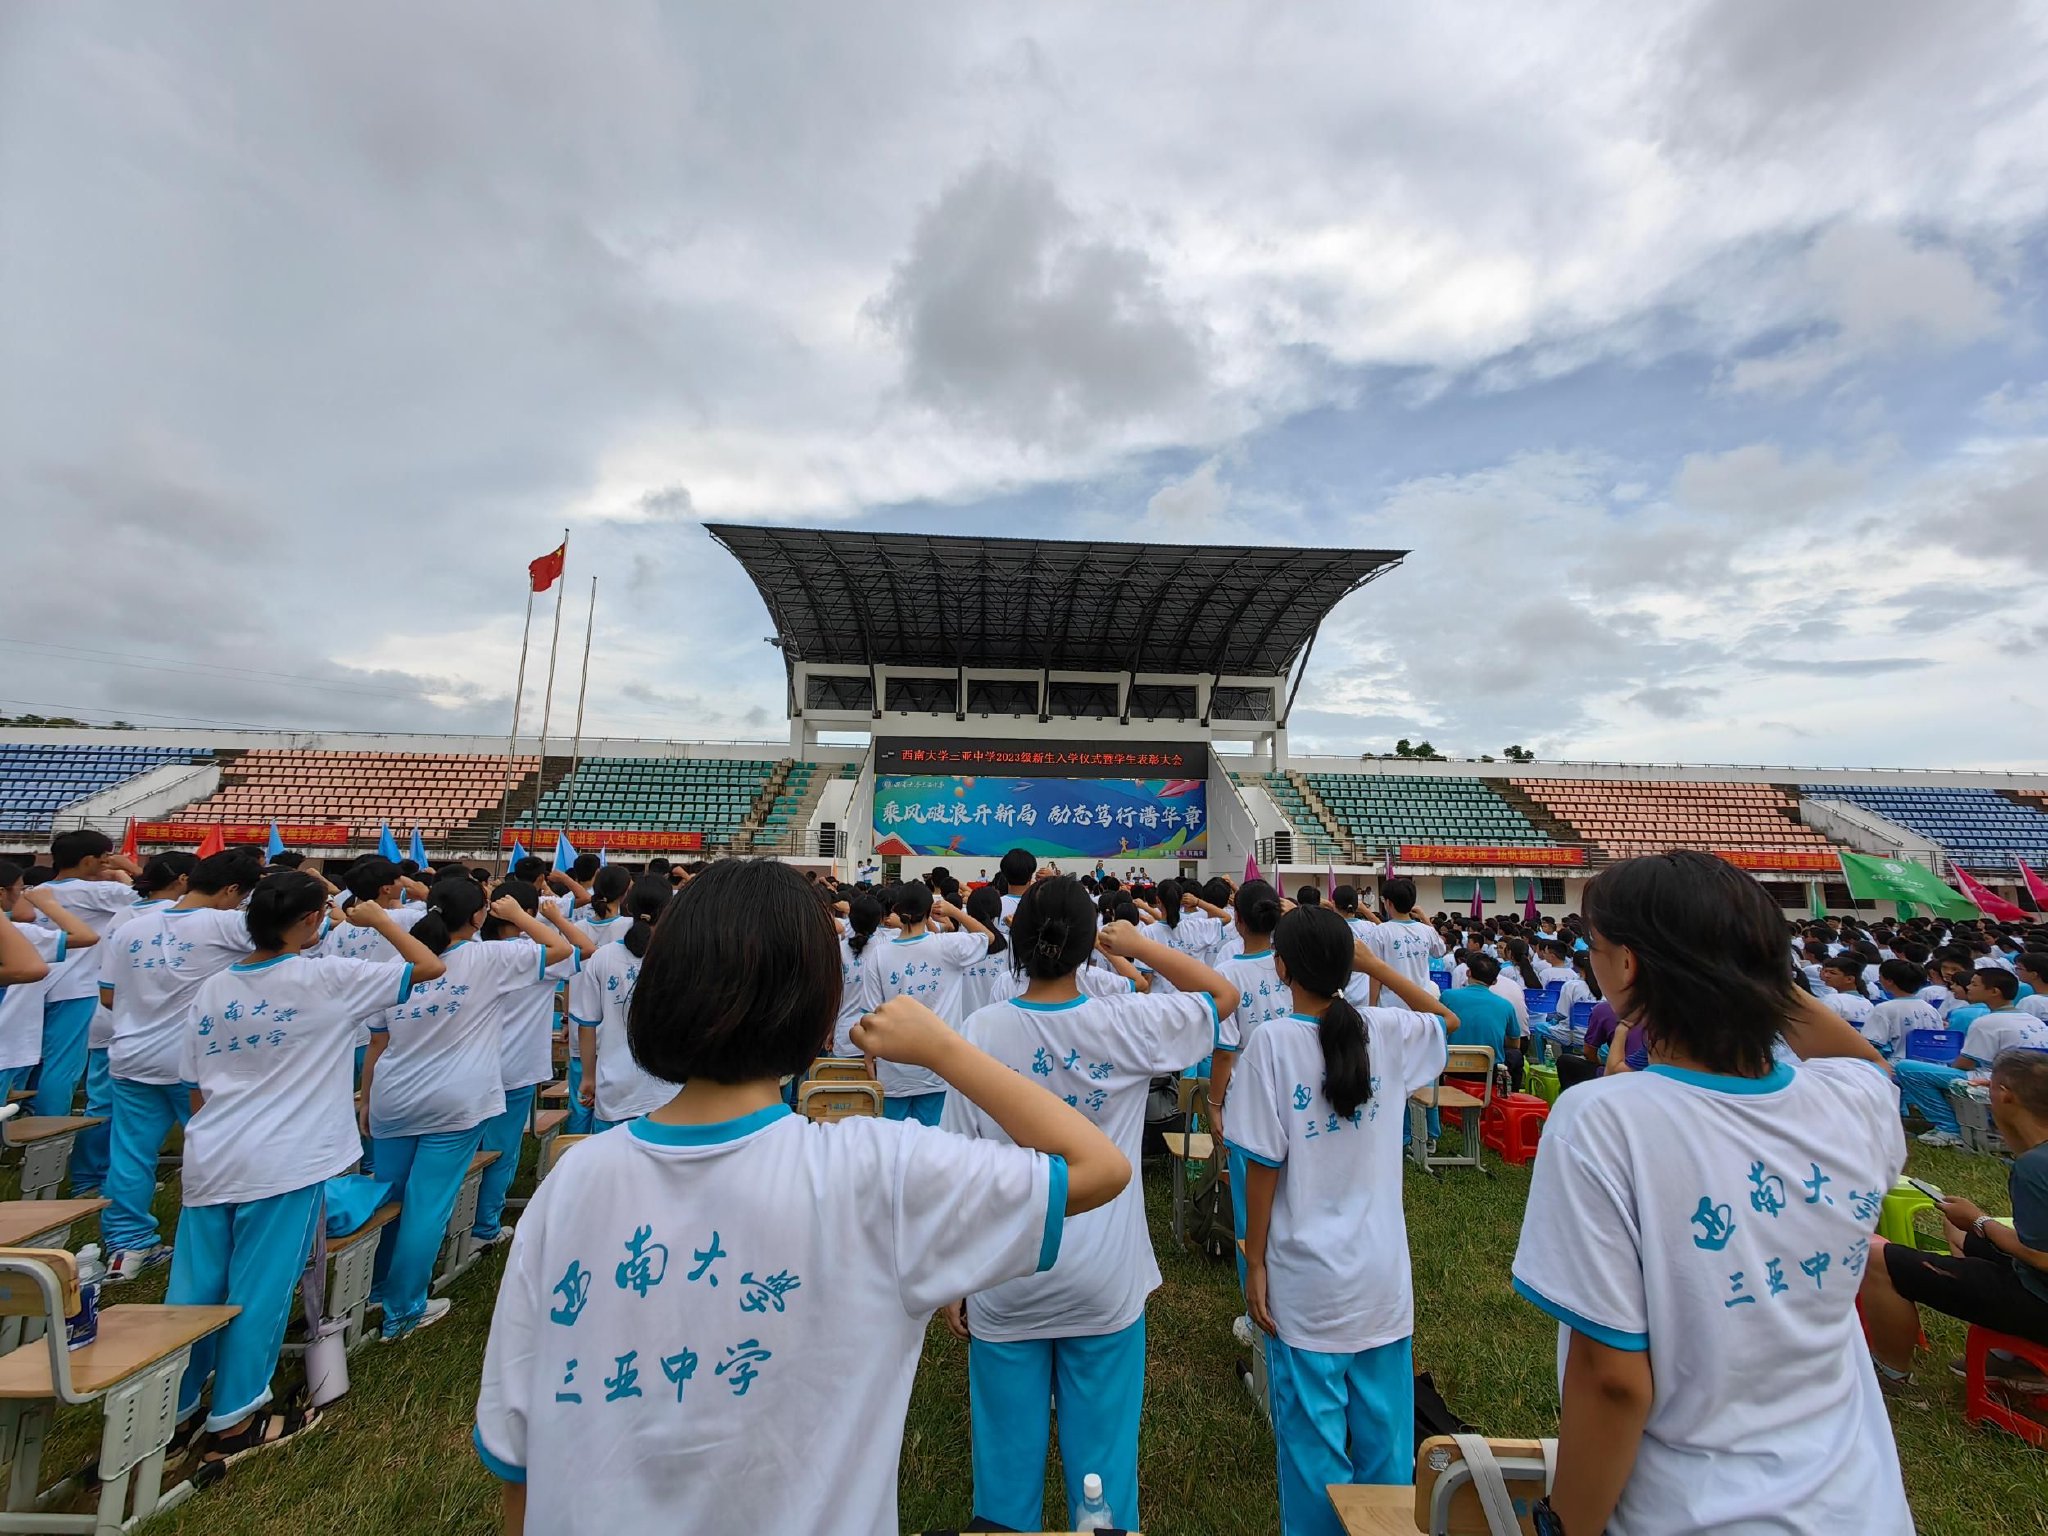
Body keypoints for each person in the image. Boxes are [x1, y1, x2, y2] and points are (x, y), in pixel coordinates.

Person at [472, 858, 1129, 1536]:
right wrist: (944, 1051)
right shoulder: (873, 1173)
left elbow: (521, 1463)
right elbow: (1098, 1168)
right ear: (819, 1013)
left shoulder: (570, 1183)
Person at [1510, 850, 1909, 1536]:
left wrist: (1565, 1525)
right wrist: (1741, 964)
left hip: (1693, 1512)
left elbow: (1614, 1379)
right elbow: (1861, 1063)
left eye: (1595, 947)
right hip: (1860, 1506)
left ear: (1629, 967)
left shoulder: (1605, 1119)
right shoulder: (1853, 1103)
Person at [938, 878, 1237, 1534]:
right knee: (1104, 1480)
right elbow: (1223, 997)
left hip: (1004, 1278)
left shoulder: (980, 1032)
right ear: (1086, 949)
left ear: (1016, 943)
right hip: (1105, 1282)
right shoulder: (1124, 1021)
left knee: (1005, 1481)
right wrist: (1138, 947)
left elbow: (957, 1170)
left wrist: (951, 1281)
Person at [168, 872, 445, 1461]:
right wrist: (381, 922)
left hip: (213, 1152)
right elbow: (429, 967)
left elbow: (196, 1086)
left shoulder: (213, 988)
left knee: (194, 1288)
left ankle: (176, 1407)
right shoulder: (325, 978)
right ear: (312, 922)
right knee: (261, 1288)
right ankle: (236, 1419)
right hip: (284, 1161)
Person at [1229, 905, 1454, 1536]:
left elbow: (1262, 1167)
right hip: (1381, 1280)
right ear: (1348, 967)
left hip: (1306, 1283)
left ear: (1280, 969)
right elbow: (1445, 1020)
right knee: (1386, 1445)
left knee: (1312, 1452)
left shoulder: (1272, 1042)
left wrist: (1255, 1261)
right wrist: (1374, 964)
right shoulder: (1384, 1031)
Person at [361, 879, 577, 1340]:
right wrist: (521, 916)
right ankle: (403, 1310)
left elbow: (377, 1040)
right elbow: (560, 949)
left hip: (393, 1094)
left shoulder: (400, 958)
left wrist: (365, 1095)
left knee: (389, 1196)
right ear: (479, 916)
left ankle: (377, 1288)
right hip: (454, 1099)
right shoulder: (488, 958)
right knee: (427, 1204)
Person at [99, 849, 266, 1281]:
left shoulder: (130, 927)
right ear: (232, 891)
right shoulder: (228, 923)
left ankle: (125, 1244)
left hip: (131, 1055)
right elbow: (295, 939)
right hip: (197, 1063)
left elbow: (108, 996)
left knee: (131, 1153)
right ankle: (219, 1242)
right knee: (216, 1150)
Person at [1859, 1046, 2048, 1394]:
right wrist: (1975, 1225)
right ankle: (2009, 1354)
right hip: (2035, 1279)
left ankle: (1891, 1377)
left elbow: (2041, 1258)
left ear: (2004, 1095)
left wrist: (1980, 1221)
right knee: (1955, 1229)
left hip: (2040, 1298)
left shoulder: (2035, 1166)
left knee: (1877, 1259)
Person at [470, 884, 596, 1246]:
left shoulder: (475, 951)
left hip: (474, 1067)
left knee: (468, 1146)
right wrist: (554, 918)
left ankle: (459, 1220)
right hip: (515, 1068)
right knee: (501, 1150)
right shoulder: (532, 955)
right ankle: (484, 1226)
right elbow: (584, 949)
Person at [33, 831, 141, 1153]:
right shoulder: (100, 891)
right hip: (78, 989)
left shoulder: (38, 891)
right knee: (63, 1067)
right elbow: (161, 895)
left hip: (39, 984)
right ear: (88, 861)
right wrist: (128, 869)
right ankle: (50, 1145)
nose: (109, 861)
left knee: (36, 1064)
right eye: (105, 856)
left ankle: (32, 1137)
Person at [858, 882, 994, 1125]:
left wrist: (869, 1057)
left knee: (894, 1149)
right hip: (938, 1068)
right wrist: (954, 911)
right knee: (931, 1149)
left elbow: (870, 1014)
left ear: (897, 910)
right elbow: (989, 938)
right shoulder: (948, 945)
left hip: (893, 1070)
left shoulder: (879, 954)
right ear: (930, 911)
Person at [1895, 967, 2048, 1147]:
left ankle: (1949, 1128)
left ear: (1994, 992)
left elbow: (1965, 1064)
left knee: (1906, 1069)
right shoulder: (2032, 1020)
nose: (1968, 987)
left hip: (1992, 1079)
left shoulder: (1988, 1022)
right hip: (2028, 1081)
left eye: (1974, 984)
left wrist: (1944, 1072)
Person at [574, 878, 679, 1129]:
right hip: (668, 1089)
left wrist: (588, 1077)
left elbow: (586, 1025)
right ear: (671, 909)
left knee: (611, 1166)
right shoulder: (682, 956)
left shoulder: (603, 957)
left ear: (628, 907)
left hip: (614, 1087)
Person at [557, 865, 633, 1134]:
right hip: (617, 1031)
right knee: (617, 1112)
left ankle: (571, 1161)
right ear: (626, 893)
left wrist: (566, 1018)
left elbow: (567, 978)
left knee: (581, 1104)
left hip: (582, 1027)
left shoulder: (575, 928)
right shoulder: (630, 928)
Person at [1443, 953, 1523, 1091]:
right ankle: (1508, 1098)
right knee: (1515, 1055)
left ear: (1468, 973)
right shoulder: (1505, 1005)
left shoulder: (1448, 996)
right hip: (1489, 1070)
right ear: (1494, 981)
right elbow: (1515, 1043)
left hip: (1450, 1067)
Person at [1360, 878, 1444, 1003]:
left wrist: (1372, 1005)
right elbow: (1440, 951)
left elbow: (1375, 973)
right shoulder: (1427, 931)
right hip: (1422, 1005)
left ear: (1389, 903)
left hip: (1391, 1006)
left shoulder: (1380, 931)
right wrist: (1424, 918)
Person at [829, 893, 885, 1057]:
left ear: (850, 919)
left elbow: (833, 996)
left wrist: (830, 1030)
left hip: (844, 1038)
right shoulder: (885, 949)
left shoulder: (838, 950)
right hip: (877, 1041)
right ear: (879, 920)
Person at [1865, 958, 1942, 1060]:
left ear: (1889, 981)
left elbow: (1870, 1044)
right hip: (1930, 1065)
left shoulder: (1884, 1008)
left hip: (1895, 1065)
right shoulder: (1931, 1009)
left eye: (1881, 976)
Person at [1817, 954, 1875, 1029]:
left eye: (1832, 973)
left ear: (1849, 979)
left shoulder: (1832, 1000)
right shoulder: (1868, 1003)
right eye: (1826, 971)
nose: (1826, 975)